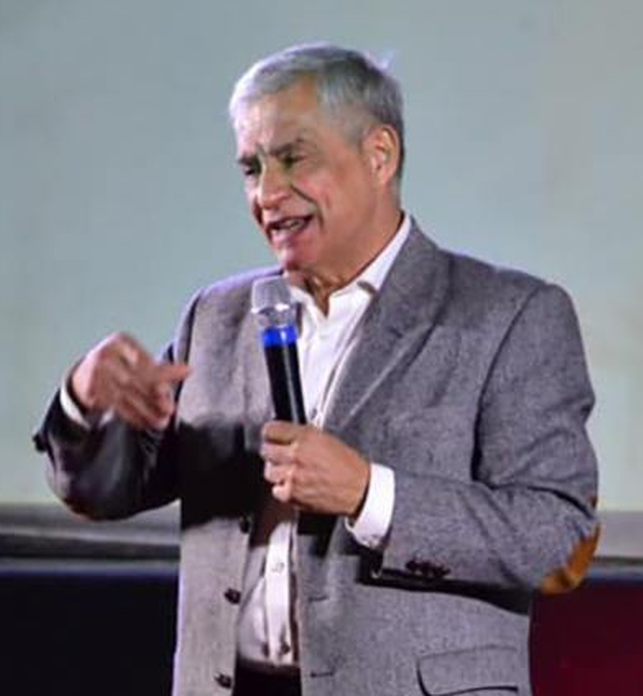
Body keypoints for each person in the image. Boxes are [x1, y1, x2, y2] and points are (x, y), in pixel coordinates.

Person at [33, 43, 599, 696]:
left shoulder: (509, 315)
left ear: (379, 155)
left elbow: (555, 535)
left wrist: (369, 494)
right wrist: (83, 403)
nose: (267, 193)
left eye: (293, 158)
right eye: (251, 168)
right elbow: (106, 491)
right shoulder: (218, 316)